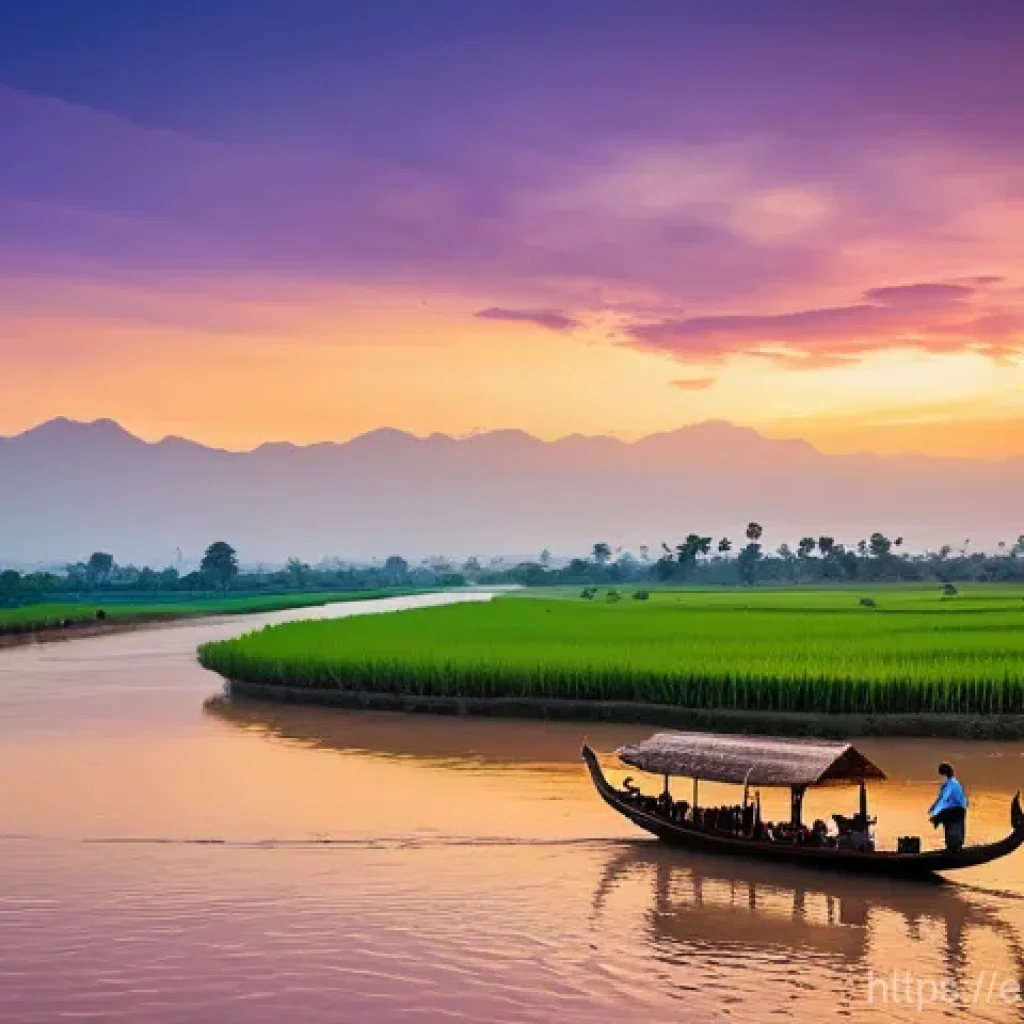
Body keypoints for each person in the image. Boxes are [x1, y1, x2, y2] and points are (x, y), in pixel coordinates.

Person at [929, 762, 968, 851]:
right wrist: (934, 809)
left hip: (955, 812)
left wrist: (936, 815)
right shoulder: (951, 784)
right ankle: (953, 847)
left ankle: (954, 848)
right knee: (952, 835)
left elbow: (944, 800)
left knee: (953, 836)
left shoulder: (951, 785)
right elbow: (941, 799)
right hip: (956, 812)